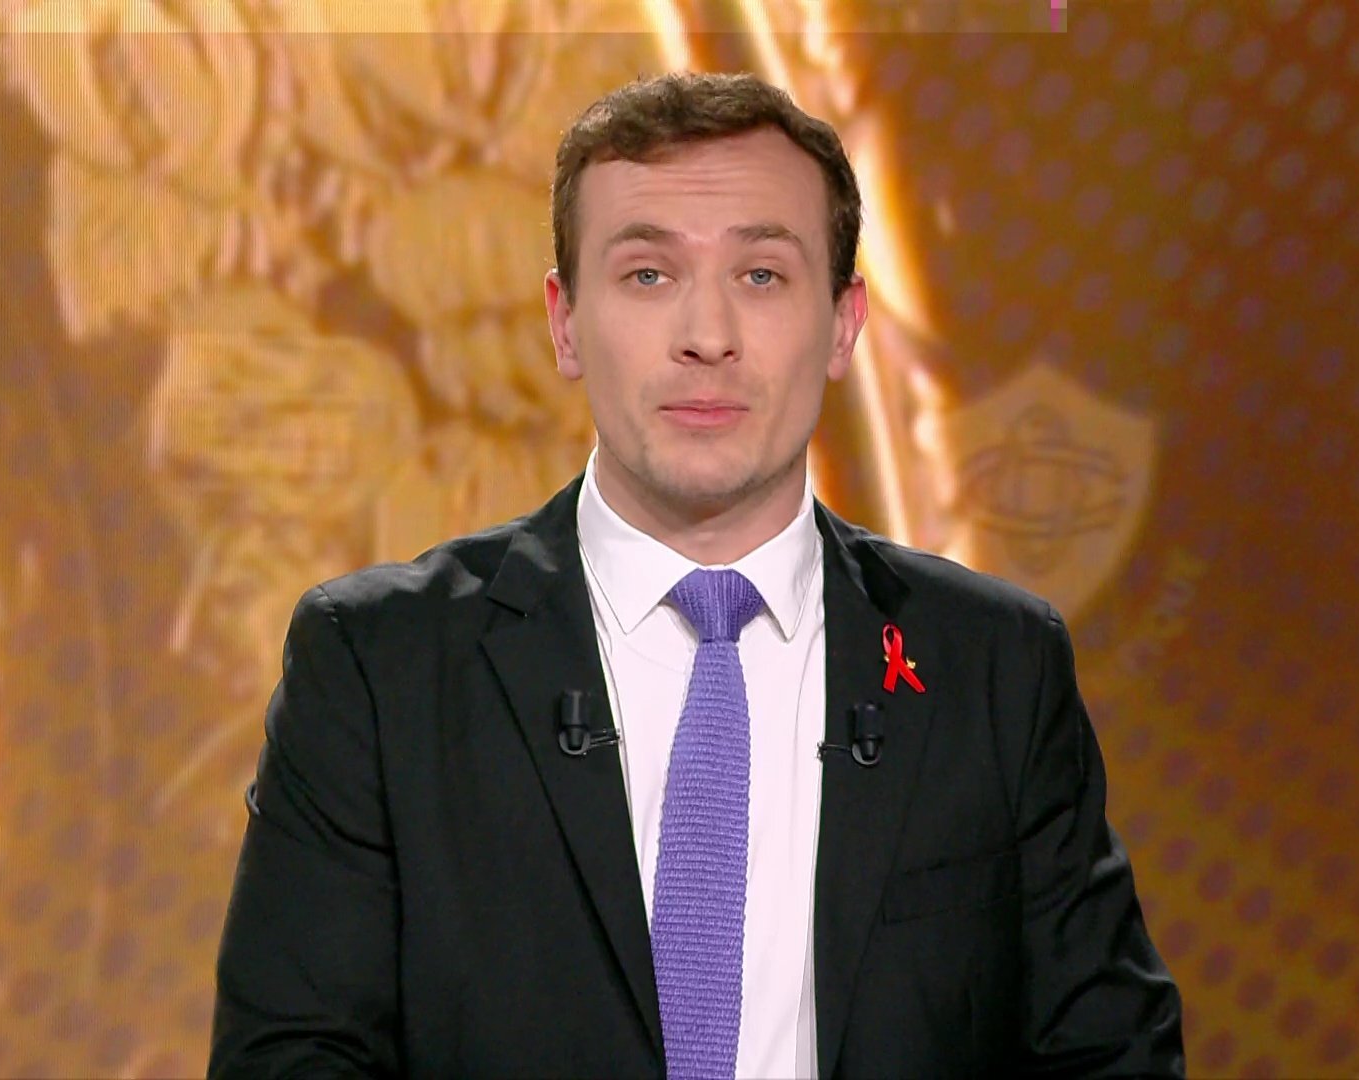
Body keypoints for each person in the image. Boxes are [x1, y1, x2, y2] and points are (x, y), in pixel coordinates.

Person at [209, 71, 1183, 1078]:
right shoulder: (379, 669)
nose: (707, 337)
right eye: (647, 275)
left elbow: (1111, 1057)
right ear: (564, 322)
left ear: (844, 323)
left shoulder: (994, 666)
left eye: (761, 274)